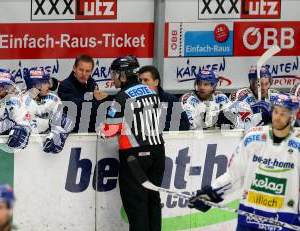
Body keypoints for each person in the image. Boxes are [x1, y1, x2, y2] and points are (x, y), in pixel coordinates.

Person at [188, 93, 300, 231]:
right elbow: (235, 176)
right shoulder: (253, 139)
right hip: (250, 216)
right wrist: (210, 195)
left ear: (293, 117)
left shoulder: (297, 149)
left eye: (283, 114)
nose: (277, 117)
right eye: (276, 111)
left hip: (284, 221)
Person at [100, 55, 165, 231]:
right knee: (153, 201)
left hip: (135, 157)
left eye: (115, 73)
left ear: (123, 75)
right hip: (158, 153)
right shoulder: (152, 91)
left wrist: (102, 127)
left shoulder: (121, 98)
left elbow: (109, 131)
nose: (113, 77)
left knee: (137, 206)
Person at [58, 54, 108, 132]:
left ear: (91, 71)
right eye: (81, 70)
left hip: (92, 133)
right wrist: (92, 97)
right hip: (71, 135)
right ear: (74, 68)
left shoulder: (93, 85)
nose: (84, 74)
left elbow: (96, 111)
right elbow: (72, 108)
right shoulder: (64, 86)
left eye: (88, 71)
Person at [138, 65, 189, 131]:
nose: (142, 83)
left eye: (146, 80)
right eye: (140, 80)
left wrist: (155, 125)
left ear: (156, 82)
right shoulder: (135, 102)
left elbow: (184, 125)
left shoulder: (171, 101)